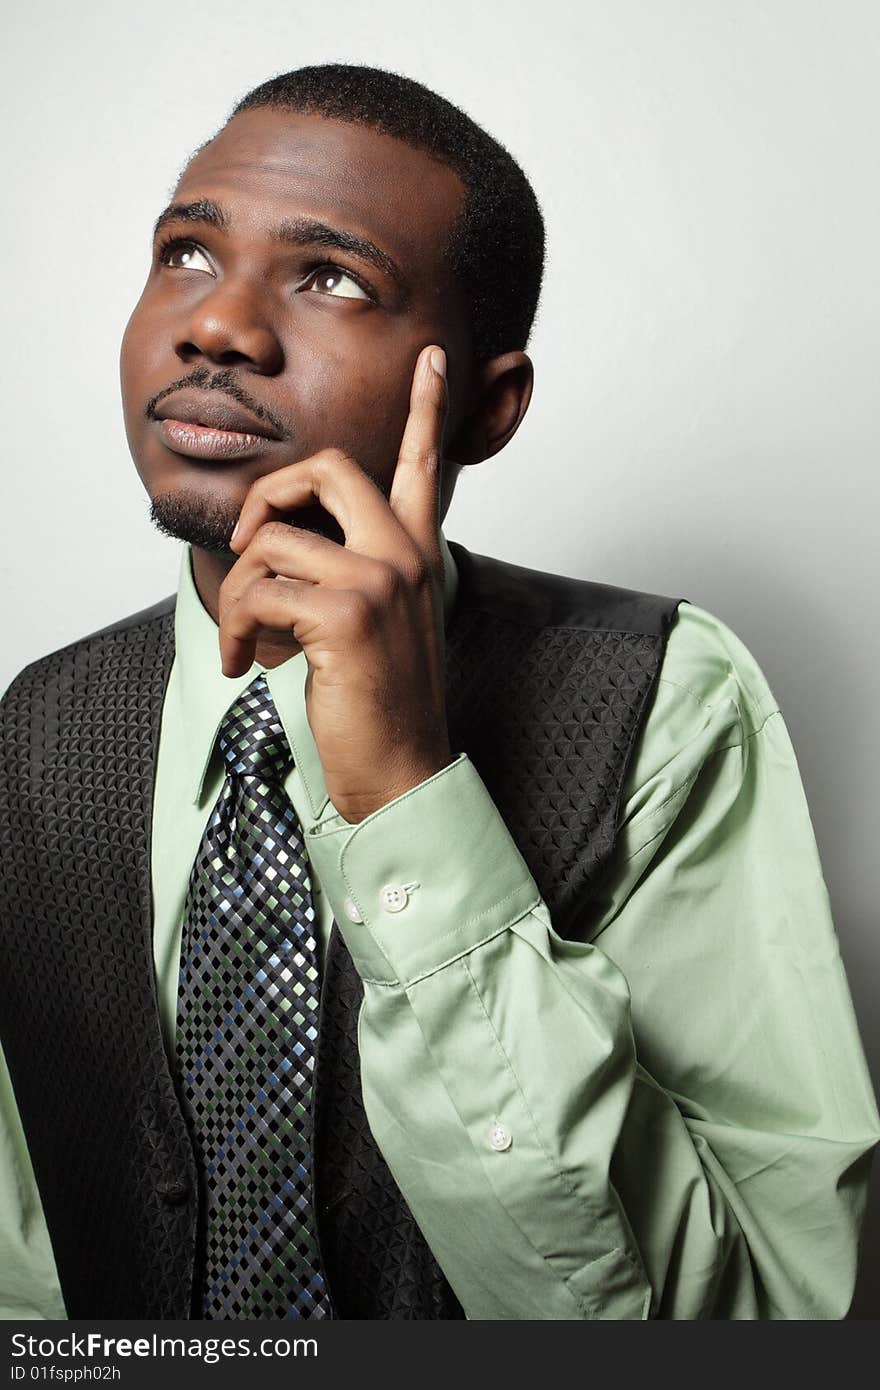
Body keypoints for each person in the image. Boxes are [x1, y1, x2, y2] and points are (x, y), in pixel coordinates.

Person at [0, 62, 877, 1323]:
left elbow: (769, 1314)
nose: (219, 326)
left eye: (332, 277)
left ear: (485, 404)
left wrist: (409, 791)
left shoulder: (662, 701)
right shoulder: (36, 731)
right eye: (188, 254)